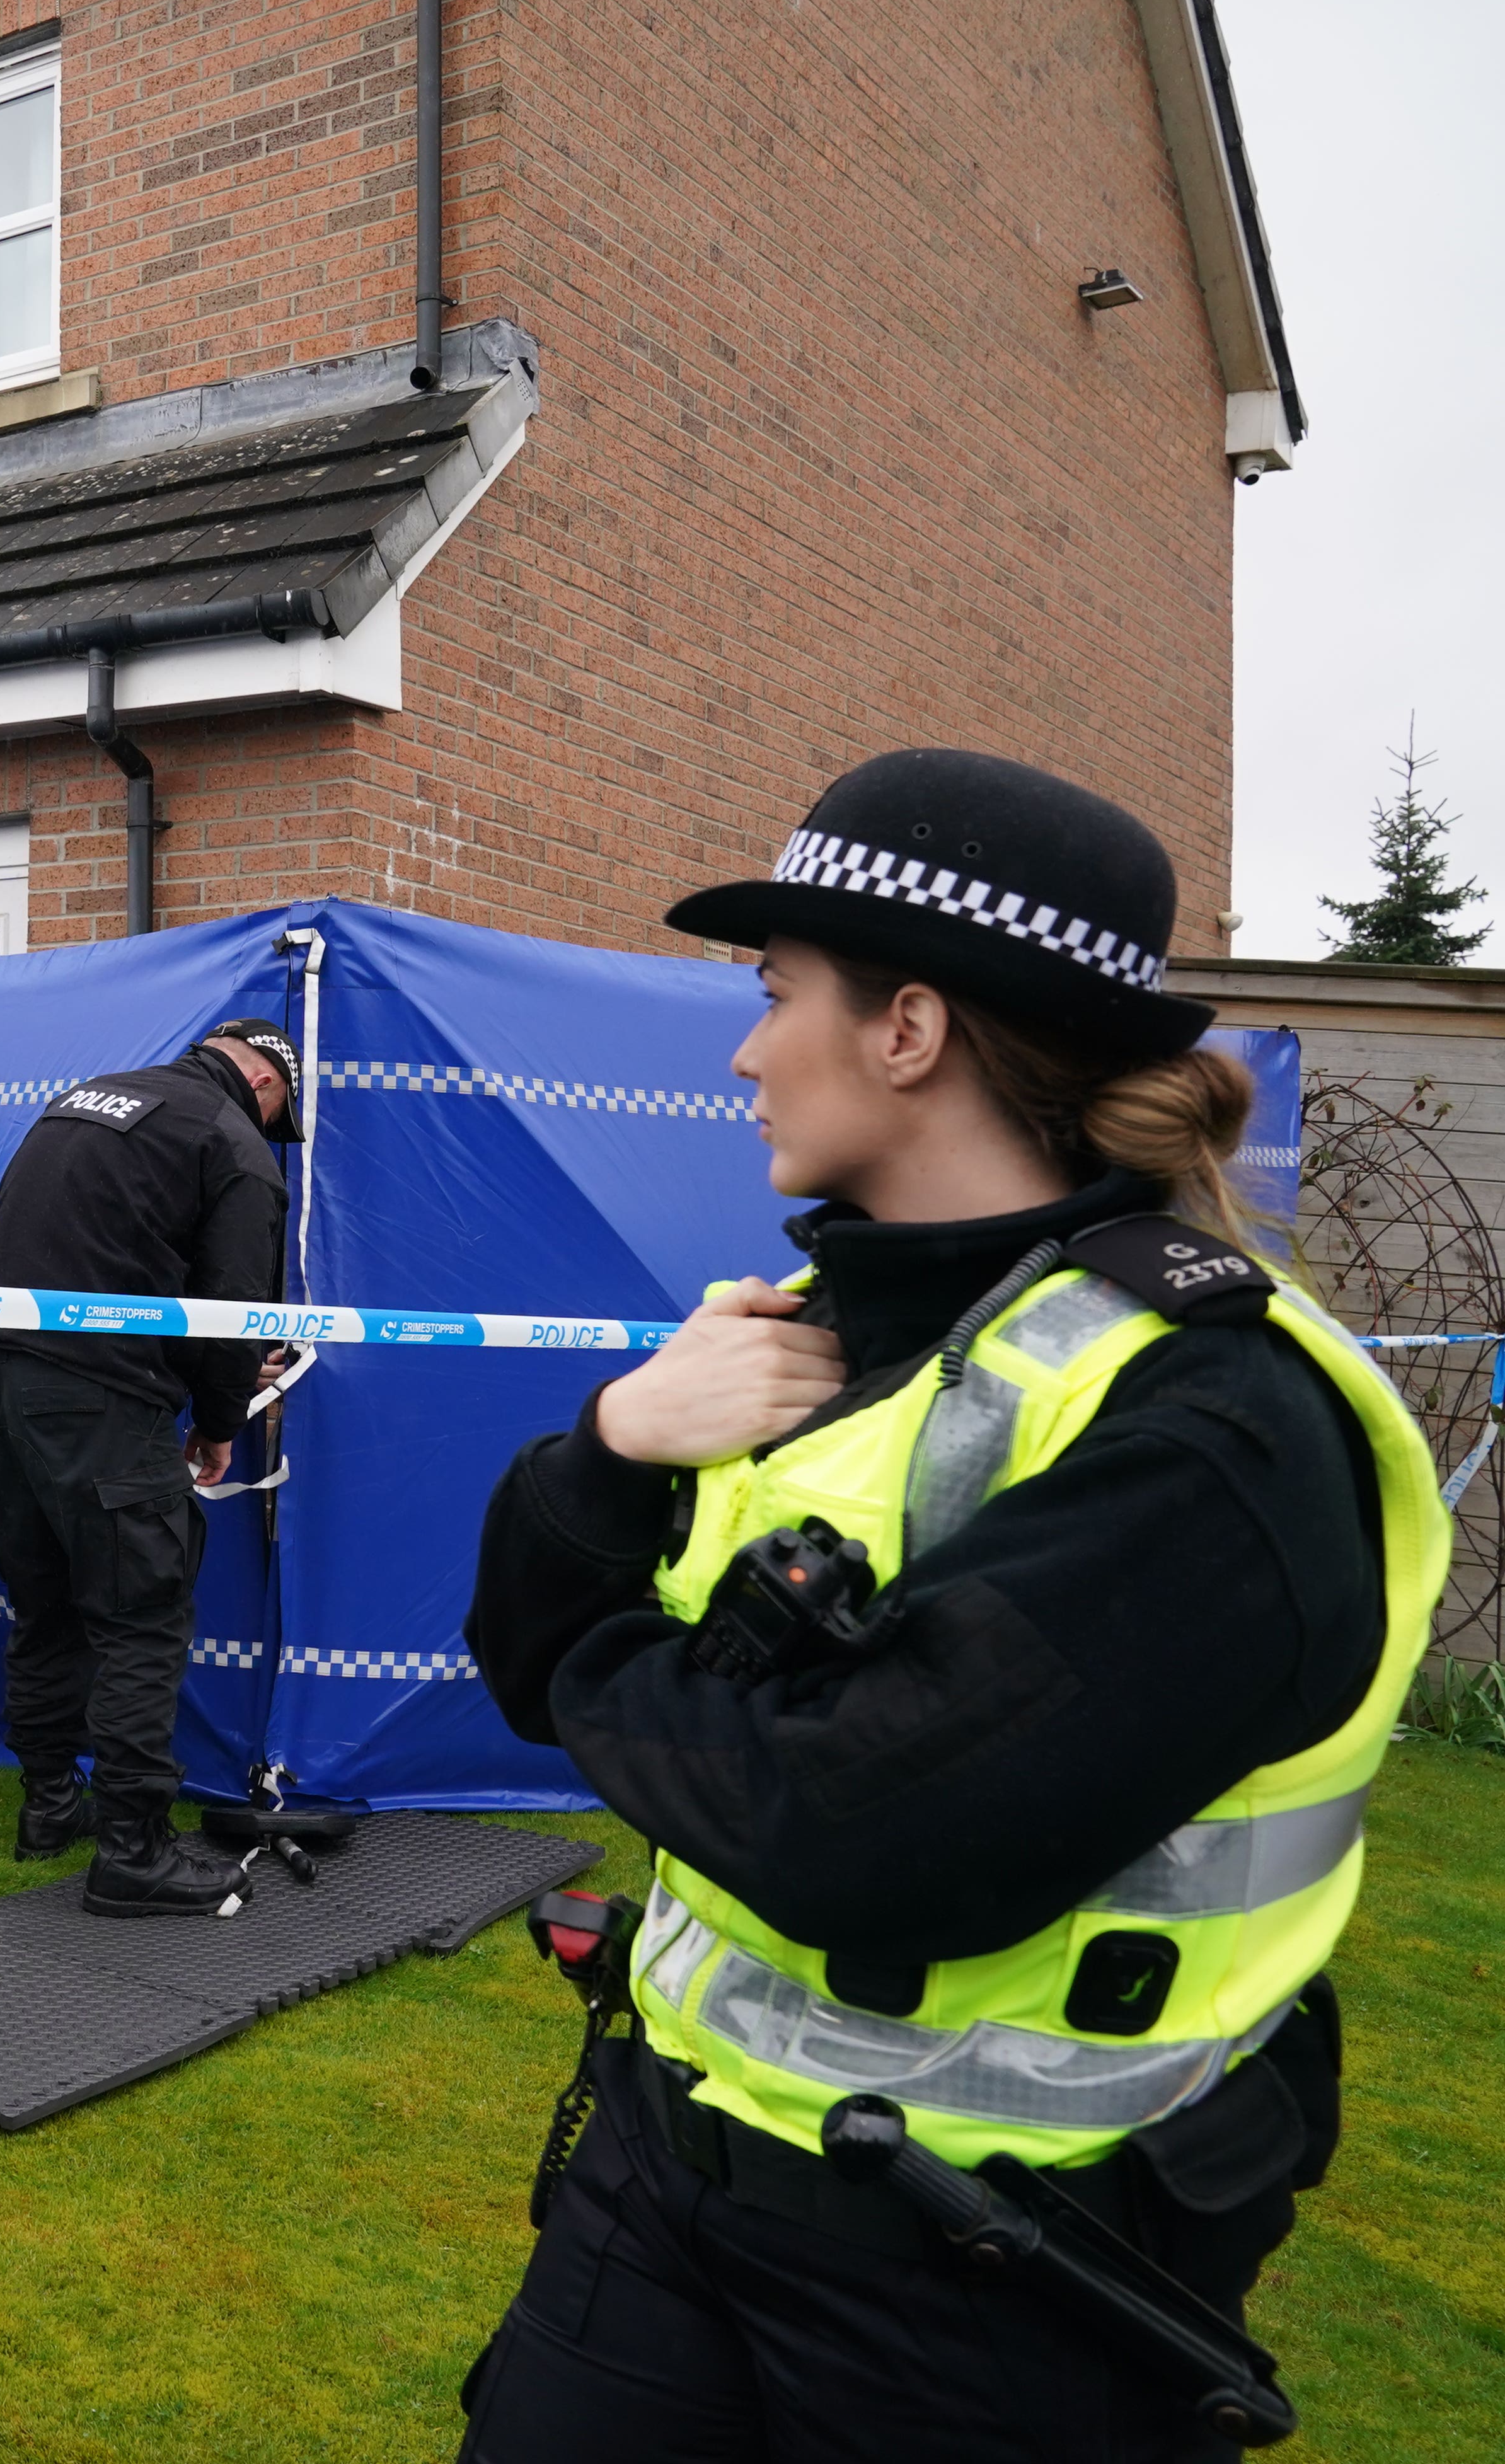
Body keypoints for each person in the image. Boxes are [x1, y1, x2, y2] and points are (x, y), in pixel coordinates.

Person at [456, 750, 1442, 2461]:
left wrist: (596, 1659)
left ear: (908, 1031)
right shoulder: (820, 1330)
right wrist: (615, 1445)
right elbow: (517, 1650)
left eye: (776, 1001)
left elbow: (848, 1827)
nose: (749, 1055)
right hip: (670, 2170)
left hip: (988, 2281)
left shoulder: (1211, 1430)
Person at [0, 1016, 302, 1914]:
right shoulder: (233, 1142)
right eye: (280, 1117)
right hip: (102, 1398)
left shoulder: (81, 1100)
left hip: (0, 1380)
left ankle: (49, 1810)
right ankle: (134, 1854)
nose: (273, 1134)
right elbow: (232, 1308)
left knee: (46, 1610)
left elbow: (106, 1258)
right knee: (142, 1620)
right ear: (268, 1084)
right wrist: (223, 1420)